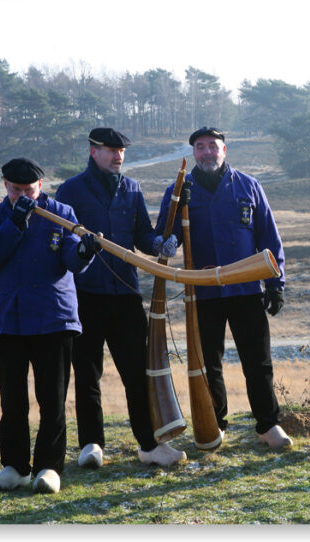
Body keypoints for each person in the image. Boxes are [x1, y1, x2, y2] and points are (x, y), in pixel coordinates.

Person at [55, 128, 185, 469]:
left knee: (136, 374)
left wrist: (159, 244)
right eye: (111, 150)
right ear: (93, 151)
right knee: (87, 374)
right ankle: (92, 445)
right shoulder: (70, 191)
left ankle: (148, 445)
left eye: (121, 150)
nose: (118, 156)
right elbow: (62, 244)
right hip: (83, 296)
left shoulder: (132, 188)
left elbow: (143, 235)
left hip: (126, 295)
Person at [154, 126, 291, 449]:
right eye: (200, 147)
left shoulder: (249, 186)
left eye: (213, 146)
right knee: (207, 363)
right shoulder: (179, 189)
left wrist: (275, 283)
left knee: (258, 362)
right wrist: (176, 210)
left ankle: (268, 425)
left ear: (224, 150)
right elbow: (161, 237)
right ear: (193, 154)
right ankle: (215, 424)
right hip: (201, 292)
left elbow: (269, 238)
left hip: (246, 290)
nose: (207, 152)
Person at [0, 158, 100, 493]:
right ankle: (15, 468)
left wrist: (86, 252)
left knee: (52, 399)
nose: (23, 195)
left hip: (53, 319)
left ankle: (49, 468)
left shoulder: (62, 214)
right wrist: (15, 223)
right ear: (5, 185)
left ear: (41, 186)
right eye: (16, 190)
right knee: (12, 401)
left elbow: (72, 261)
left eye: (29, 189)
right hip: (8, 321)